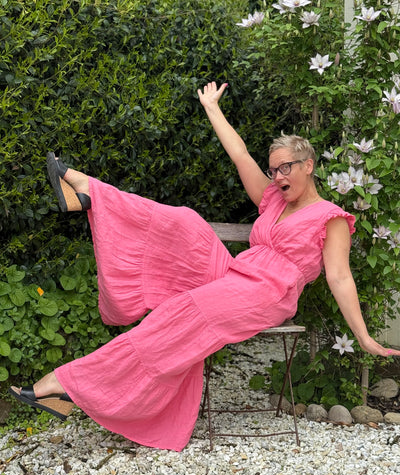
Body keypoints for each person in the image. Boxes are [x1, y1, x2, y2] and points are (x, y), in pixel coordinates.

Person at [9, 82, 400, 451]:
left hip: (268, 293)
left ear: (309, 165)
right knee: (185, 222)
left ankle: (67, 383)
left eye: (286, 168)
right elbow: (240, 154)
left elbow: (339, 276)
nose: (278, 176)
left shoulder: (330, 218)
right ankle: (90, 192)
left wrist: (363, 337)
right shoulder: (273, 200)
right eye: (273, 170)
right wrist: (212, 107)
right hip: (236, 273)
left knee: (179, 312)